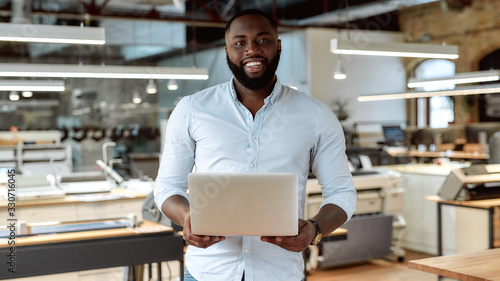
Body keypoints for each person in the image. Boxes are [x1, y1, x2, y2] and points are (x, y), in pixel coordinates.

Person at [154, 9, 356, 281]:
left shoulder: (316, 115)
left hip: (279, 272)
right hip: (208, 271)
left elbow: (342, 192)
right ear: (227, 50)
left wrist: (315, 228)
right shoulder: (192, 109)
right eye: (240, 43)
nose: (252, 50)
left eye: (262, 40)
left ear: (278, 45)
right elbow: (167, 186)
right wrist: (188, 216)